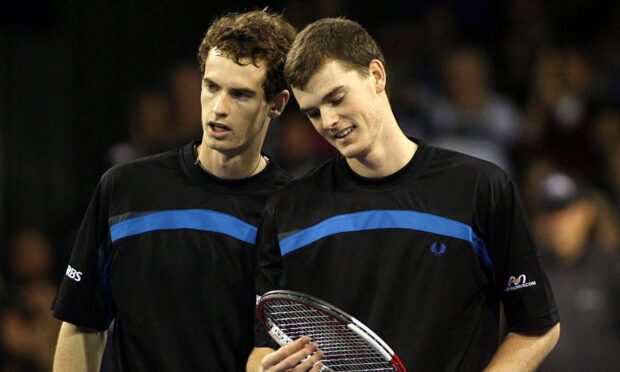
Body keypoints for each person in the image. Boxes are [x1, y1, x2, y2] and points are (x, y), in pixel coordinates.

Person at [248, 18, 560, 372]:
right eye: (313, 112)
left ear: (377, 76)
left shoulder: (480, 189)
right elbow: (262, 350)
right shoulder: (286, 210)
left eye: (336, 98)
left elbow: (537, 326)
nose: (329, 121)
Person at [51, 10, 296, 371]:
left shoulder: (293, 210)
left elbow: (272, 349)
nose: (219, 108)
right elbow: (82, 323)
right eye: (211, 87)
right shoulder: (124, 188)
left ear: (277, 104)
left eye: (240, 95)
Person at [532, 172, 620, 372]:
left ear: (586, 213)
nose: (559, 224)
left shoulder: (610, 268)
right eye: (550, 215)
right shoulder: (529, 274)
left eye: (566, 213)